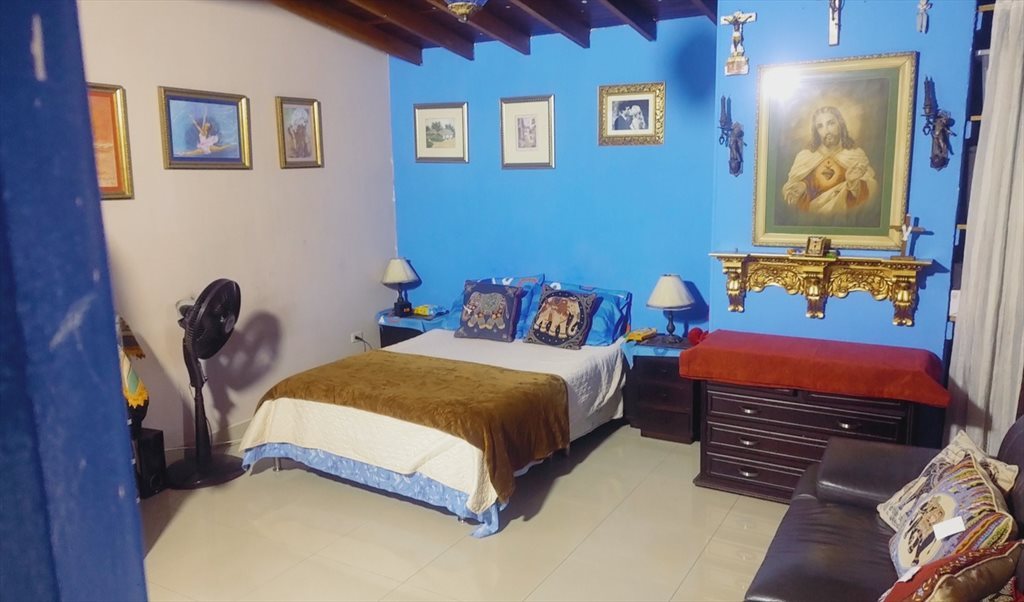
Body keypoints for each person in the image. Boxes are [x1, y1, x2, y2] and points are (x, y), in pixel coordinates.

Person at [782, 106, 878, 216]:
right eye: (820, 126)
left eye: (831, 123)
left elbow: (871, 188)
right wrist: (801, 186)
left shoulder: (855, 155)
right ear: (816, 131)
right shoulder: (805, 156)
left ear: (840, 125)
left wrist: (853, 183)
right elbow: (792, 188)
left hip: (844, 217)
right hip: (812, 218)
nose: (826, 131)